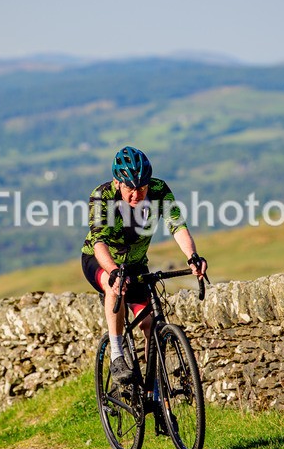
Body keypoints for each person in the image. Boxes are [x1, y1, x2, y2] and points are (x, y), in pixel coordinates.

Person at [81, 146, 208, 385]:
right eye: (130, 188)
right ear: (118, 183)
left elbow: (177, 226)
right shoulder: (102, 196)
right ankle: (117, 355)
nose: (136, 196)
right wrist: (113, 272)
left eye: (142, 188)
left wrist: (192, 256)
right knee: (113, 287)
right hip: (99, 261)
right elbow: (99, 242)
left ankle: (154, 389)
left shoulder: (159, 190)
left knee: (151, 324)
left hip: (136, 265)